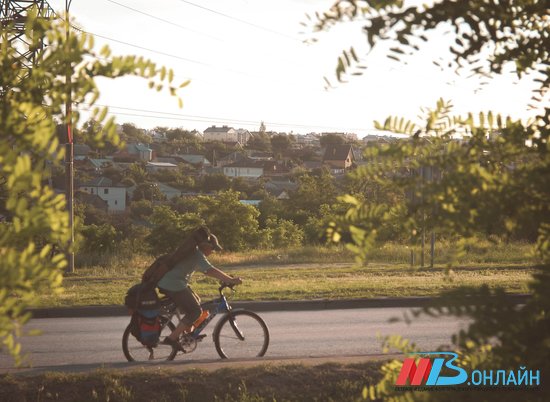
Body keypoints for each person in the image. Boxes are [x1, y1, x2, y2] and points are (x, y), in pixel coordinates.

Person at [156, 233, 241, 350]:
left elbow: (209, 270)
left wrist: (226, 278)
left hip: (174, 283)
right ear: (205, 245)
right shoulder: (197, 254)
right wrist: (230, 279)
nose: (213, 252)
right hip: (173, 284)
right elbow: (210, 270)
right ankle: (171, 339)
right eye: (212, 248)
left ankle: (189, 333)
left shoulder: (194, 253)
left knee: (196, 300)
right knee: (195, 311)